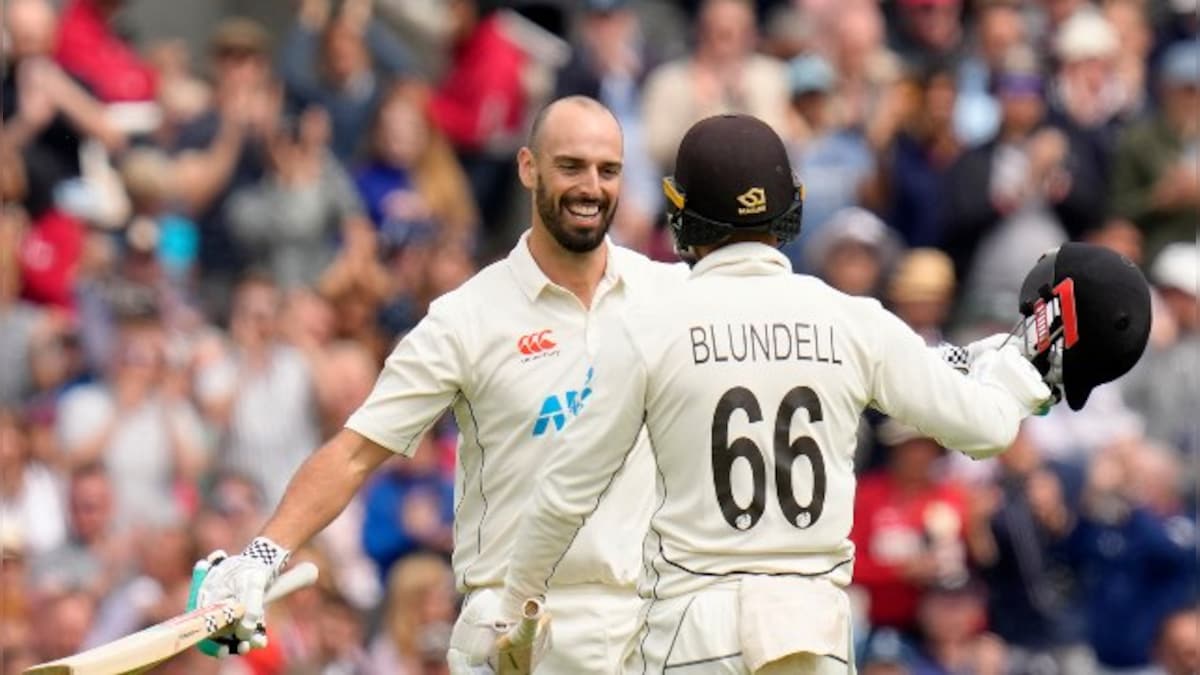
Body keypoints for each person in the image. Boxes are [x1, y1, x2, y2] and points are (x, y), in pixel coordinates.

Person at [499, 113, 1054, 674]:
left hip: (693, 634)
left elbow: (562, 497)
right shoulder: (854, 320)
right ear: (791, 206)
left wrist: (513, 615)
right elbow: (988, 428)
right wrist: (1025, 367)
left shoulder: (645, 328)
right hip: (814, 634)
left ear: (680, 211)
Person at [193, 95, 683, 673]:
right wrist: (260, 557)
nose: (591, 187)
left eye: (608, 170)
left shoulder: (668, 294)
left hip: (646, 629)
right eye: (571, 166)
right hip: (516, 637)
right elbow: (353, 454)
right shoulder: (467, 317)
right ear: (528, 168)